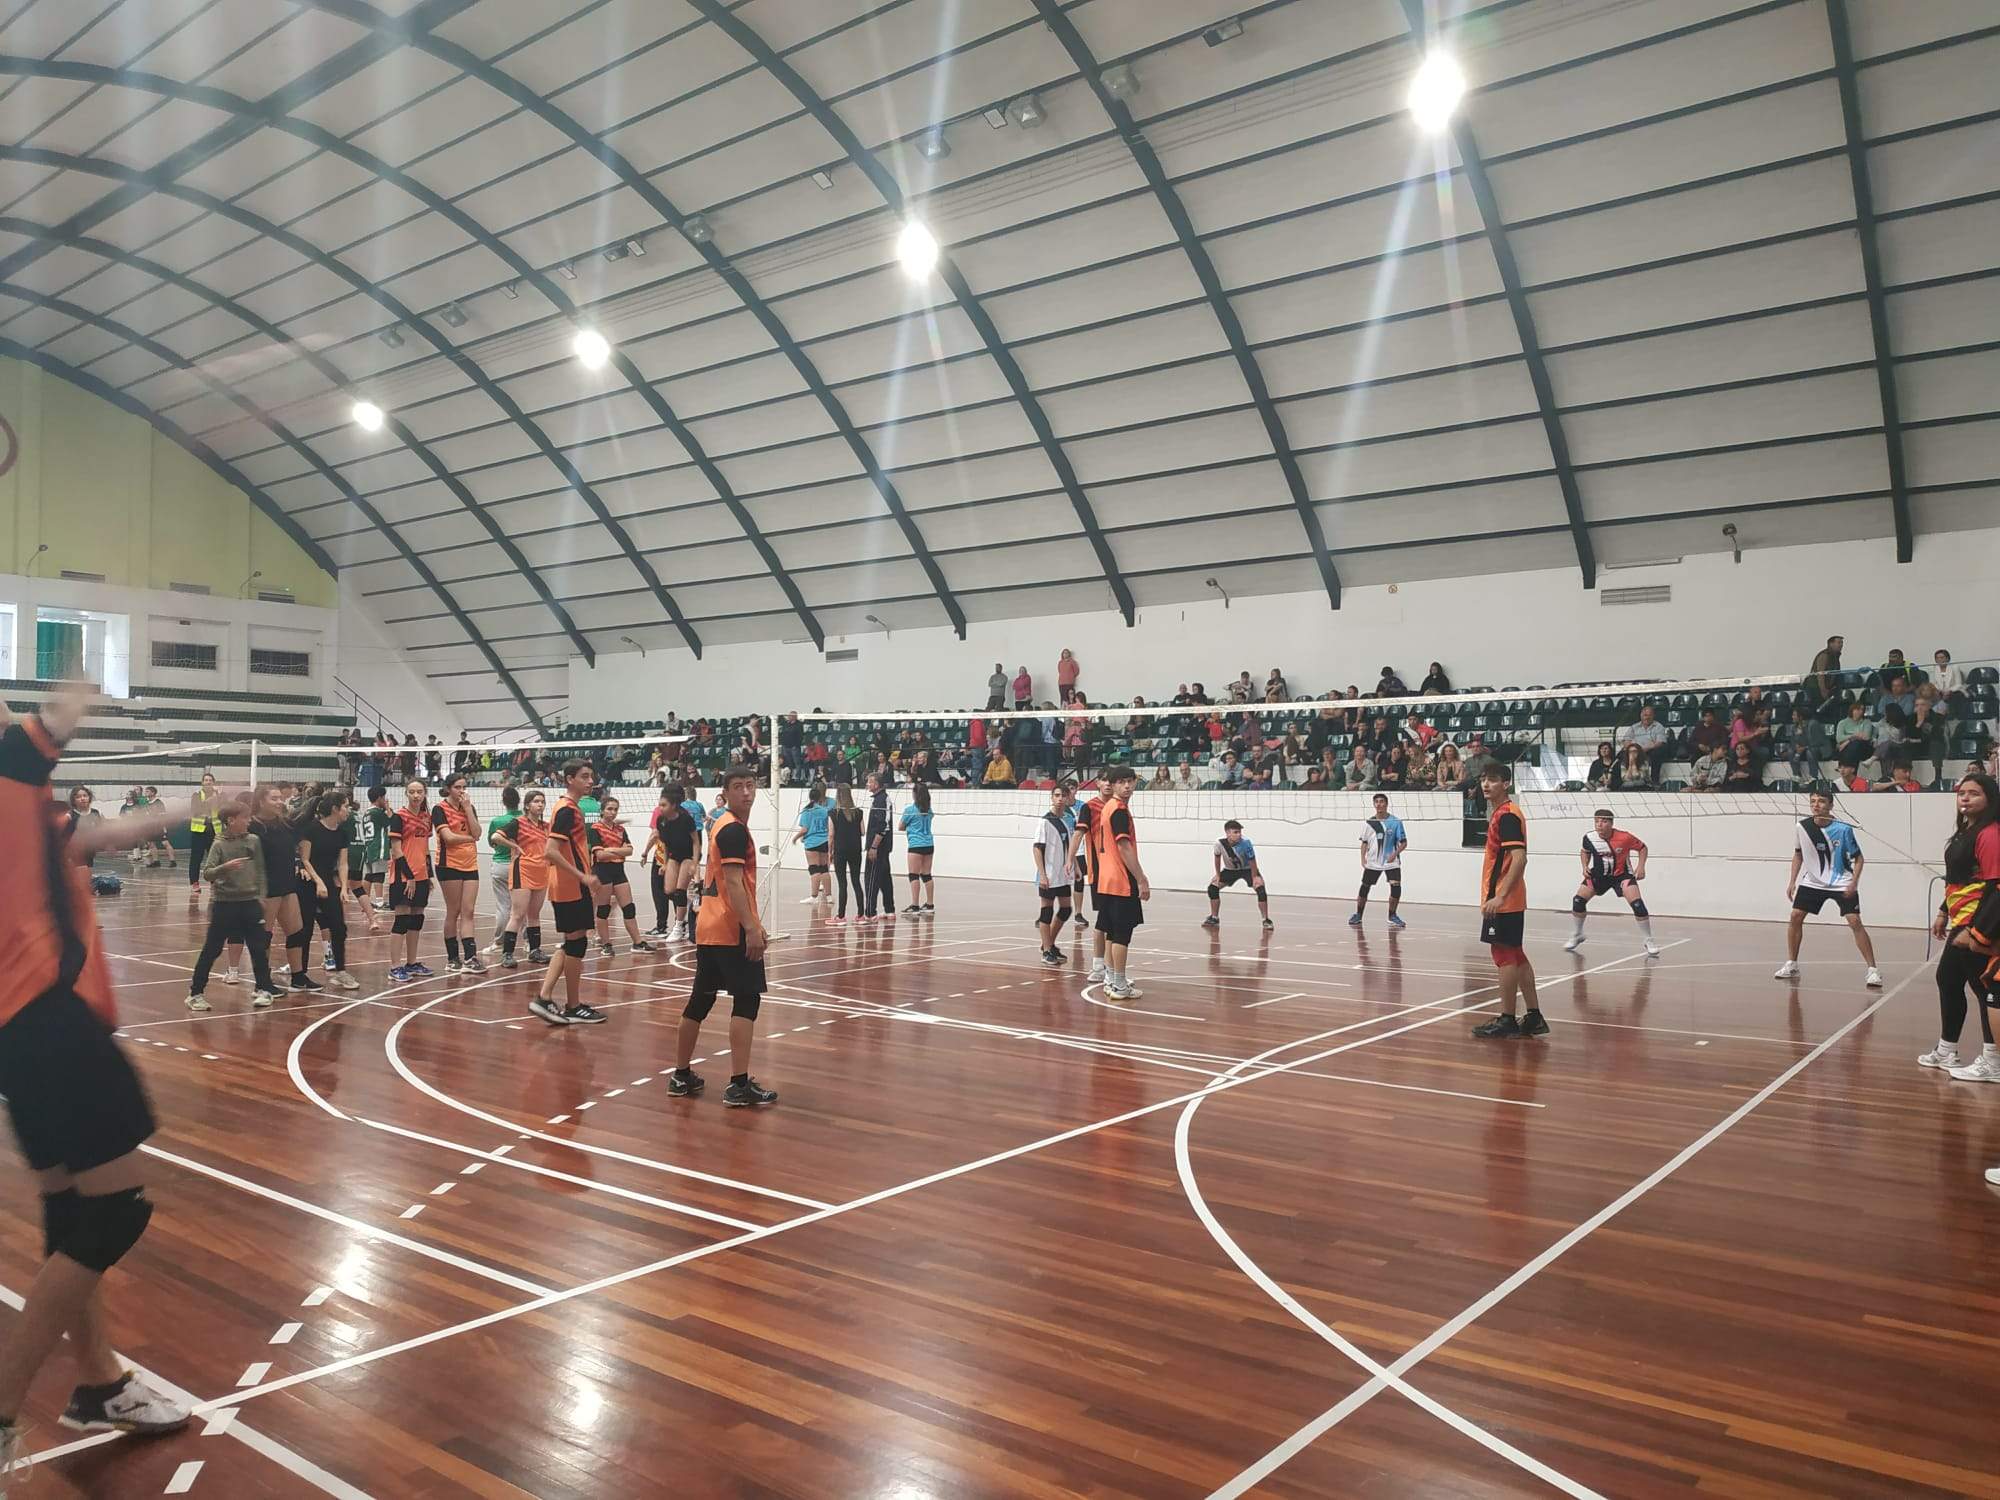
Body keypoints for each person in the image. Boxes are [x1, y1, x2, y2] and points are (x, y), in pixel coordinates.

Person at [0, 689, 192, 1467]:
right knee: (114, 1215)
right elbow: (27, 745)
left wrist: (201, 805)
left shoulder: (33, 818)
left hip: (20, 1032)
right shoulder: (10, 783)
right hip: (51, 1022)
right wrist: (70, 700)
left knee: (70, 1211)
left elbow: (96, 835)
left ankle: (99, 1383)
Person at [667, 765, 777, 1107]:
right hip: (729, 929)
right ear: (725, 793)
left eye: (750, 785)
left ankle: (681, 1076)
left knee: (701, 999)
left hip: (709, 927)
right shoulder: (732, 830)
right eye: (738, 787)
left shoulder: (725, 826)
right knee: (747, 1000)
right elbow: (732, 883)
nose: (746, 792)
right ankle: (739, 1085)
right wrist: (750, 928)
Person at [1920, 771, 2000, 1079]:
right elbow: (1957, 879)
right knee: (1948, 979)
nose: (1965, 797)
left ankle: (1991, 1061)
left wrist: (1978, 931)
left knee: (1984, 989)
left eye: (1974, 793)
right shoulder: (1965, 832)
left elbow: (1995, 885)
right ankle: (1947, 1049)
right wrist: (1943, 911)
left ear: (1989, 799)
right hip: (1961, 918)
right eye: (1961, 792)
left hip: (1978, 922)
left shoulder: (1990, 833)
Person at [1776, 789, 1881, 988]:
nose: (1816, 805)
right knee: (1795, 916)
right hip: (1813, 881)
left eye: (1821, 801)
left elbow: (1859, 859)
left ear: (1831, 805)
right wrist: (1792, 881)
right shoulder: (1802, 827)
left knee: (1854, 921)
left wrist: (1854, 882)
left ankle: (1873, 970)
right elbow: (1798, 854)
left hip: (1842, 880)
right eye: (1813, 801)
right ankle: (1792, 964)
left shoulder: (1843, 829)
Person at [1471, 764, 1547, 1038]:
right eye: (1483, 779)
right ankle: (1534, 1017)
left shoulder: (1507, 816)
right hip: (1510, 900)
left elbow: (1520, 859)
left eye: (1492, 780)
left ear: (1506, 783)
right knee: (1516, 954)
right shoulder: (1503, 814)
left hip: (1504, 901)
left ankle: (1507, 1019)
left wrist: (1499, 896)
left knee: (1503, 956)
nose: (1486, 784)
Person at [532, 761, 606, 1026]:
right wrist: (583, 876)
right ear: (569, 779)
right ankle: (572, 1006)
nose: (590, 781)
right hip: (570, 886)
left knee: (571, 943)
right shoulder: (567, 811)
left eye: (591, 776)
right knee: (577, 944)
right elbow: (550, 851)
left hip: (569, 886)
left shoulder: (571, 808)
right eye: (584, 776)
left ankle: (543, 997)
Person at [187, 798, 279, 1011]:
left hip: (250, 902)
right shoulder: (218, 844)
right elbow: (208, 873)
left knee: (258, 946)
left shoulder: (253, 840)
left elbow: (260, 871)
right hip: (225, 904)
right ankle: (196, 993)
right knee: (212, 948)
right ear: (231, 820)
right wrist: (224, 868)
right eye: (245, 818)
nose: (248, 821)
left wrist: (262, 896)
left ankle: (263, 989)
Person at [1087, 766, 1149, 1000]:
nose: (1127, 786)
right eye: (1121, 782)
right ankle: (1120, 985)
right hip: (1121, 880)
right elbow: (1124, 847)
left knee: (1111, 933)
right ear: (1111, 785)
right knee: (1122, 935)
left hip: (1105, 880)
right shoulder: (1119, 810)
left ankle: (1112, 980)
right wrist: (1141, 878)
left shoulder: (1107, 808)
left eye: (1130, 781)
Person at [1565, 810, 1660, 956]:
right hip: (1598, 875)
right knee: (1578, 901)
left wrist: (1641, 867)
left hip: (1622, 875)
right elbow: (1585, 852)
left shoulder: (1624, 837)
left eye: (1603, 821)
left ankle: (1648, 940)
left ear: (1611, 823)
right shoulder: (1589, 837)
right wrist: (1584, 867)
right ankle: (1578, 934)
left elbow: (1642, 848)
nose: (1599, 825)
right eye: (1597, 821)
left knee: (1638, 905)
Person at [295, 790, 360, 992]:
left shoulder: (342, 833)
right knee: (304, 929)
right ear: (335, 808)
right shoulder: (311, 829)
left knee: (339, 927)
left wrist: (343, 888)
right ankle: (300, 973)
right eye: (346, 806)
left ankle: (340, 971)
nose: (348, 810)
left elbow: (343, 863)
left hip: (329, 884)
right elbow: (305, 859)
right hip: (306, 884)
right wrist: (318, 882)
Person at [250, 784, 311, 988]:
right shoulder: (253, 827)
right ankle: (262, 981)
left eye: (280, 798)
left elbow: (302, 835)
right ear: (260, 801)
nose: (279, 802)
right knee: (264, 936)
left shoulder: (285, 824)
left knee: (296, 932)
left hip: (287, 884)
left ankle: (298, 977)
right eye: (274, 798)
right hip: (266, 888)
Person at [432, 773, 485, 975]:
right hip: (449, 865)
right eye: (457, 787)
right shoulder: (439, 809)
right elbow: (448, 838)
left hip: (470, 864)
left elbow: (478, 833)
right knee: (453, 911)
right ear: (448, 788)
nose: (462, 791)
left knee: (469, 911)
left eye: (464, 787)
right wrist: (469, 839)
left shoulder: (469, 808)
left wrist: (469, 809)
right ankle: (452, 958)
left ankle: (470, 957)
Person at [386, 779, 436, 984]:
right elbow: (396, 851)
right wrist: (410, 877)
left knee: (417, 918)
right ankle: (394, 966)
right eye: (412, 792)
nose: (416, 796)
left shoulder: (426, 817)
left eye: (419, 792)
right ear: (406, 794)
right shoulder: (399, 817)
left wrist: (429, 876)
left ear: (425, 793)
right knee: (401, 920)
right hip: (403, 876)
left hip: (421, 875)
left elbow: (425, 850)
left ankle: (412, 962)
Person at [590, 797, 653, 957]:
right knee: (603, 910)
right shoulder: (595, 829)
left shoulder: (620, 830)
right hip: (602, 871)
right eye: (609, 809)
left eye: (615, 809)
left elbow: (630, 851)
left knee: (629, 907)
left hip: (619, 870)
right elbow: (601, 855)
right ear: (602, 810)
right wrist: (619, 850)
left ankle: (637, 943)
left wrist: (610, 849)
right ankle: (606, 944)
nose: (612, 812)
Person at [494, 789, 549, 969]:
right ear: (527, 805)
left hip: (541, 871)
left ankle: (535, 950)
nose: (540, 804)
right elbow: (496, 837)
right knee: (518, 914)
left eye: (542, 801)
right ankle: (507, 954)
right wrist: (514, 845)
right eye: (536, 801)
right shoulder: (517, 823)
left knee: (534, 915)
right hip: (522, 870)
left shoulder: (546, 826)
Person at [1031, 783, 1077, 965]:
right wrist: (1042, 874)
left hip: (1063, 874)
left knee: (1066, 909)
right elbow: (1037, 849)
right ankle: (1047, 949)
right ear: (1052, 798)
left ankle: (1048, 943)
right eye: (1056, 795)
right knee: (1046, 911)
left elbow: (1069, 846)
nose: (1059, 799)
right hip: (1048, 874)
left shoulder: (1067, 819)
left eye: (1063, 795)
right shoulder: (1045, 821)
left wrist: (1076, 868)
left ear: (1067, 799)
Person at [1349, 793, 1407, 929]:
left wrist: (1394, 854)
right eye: (1376, 802)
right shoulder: (1370, 823)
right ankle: (1358, 915)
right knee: (1364, 887)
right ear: (1374, 805)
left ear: (1386, 804)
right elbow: (1364, 842)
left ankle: (1392, 916)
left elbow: (1404, 843)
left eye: (1382, 801)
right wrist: (1362, 858)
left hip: (1390, 861)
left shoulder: (1395, 822)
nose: (1379, 804)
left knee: (1396, 887)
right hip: (1373, 862)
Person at [1205, 820, 1273, 930]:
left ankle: (1266, 920)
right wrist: (1218, 875)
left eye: (1240, 832)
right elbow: (1217, 857)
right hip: (1230, 870)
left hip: (1247, 869)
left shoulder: (1246, 842)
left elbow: (1252, 860)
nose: (1239, 834)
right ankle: (1214, 918)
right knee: (1212, 888)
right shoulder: (1219, 843)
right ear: (1227, 833)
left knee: (1260, 889)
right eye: (1236, 832)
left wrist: (1255, 876)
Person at [650, 784, 697, 941]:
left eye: (663, 805)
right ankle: (691, 905)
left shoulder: (686, 819)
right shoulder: (661, 821)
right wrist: (664, 863)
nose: (660, 808)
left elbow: (696, 842)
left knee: (679, 891)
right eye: (659, 804)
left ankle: (679, 926)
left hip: (688, 856)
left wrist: (695, 863)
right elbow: (666, 844)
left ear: (673, 805)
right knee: (669, 891)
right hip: (673, 856)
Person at [483, 787, 520, 951]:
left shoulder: (497, 821)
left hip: (500, 865)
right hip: (521, 865)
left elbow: (492, 842)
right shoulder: (525, 819)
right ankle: (528, 942)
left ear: (503, 801)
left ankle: (499, 942)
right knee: (523, 906)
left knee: (503, 906)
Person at [828, 784, 864, 925]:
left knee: (842, 883)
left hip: (841, 851)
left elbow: (831, 835)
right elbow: (862, 831)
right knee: (856, 881)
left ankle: (841, 916)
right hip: (855, 850)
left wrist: (829, 852)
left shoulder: (833, 813)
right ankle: (861, 915)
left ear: (838, 795)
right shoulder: (858, 812)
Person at [862, 773, 896, 922]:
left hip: (878, 848)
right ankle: (889, 910)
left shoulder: (882, 800)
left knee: (871, 879)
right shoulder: (880, 799)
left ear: (877, 784)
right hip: (882, 847)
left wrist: (874, 847)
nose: (867, 784)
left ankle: (870, 913)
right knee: (884, 878)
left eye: (870, 782)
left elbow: (883, 826)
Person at [791, 782, 832, 905]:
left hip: (812, 842)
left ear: (810, 797)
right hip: (824, 841)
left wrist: (796, 838)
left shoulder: (807, 811)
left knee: (814, 869)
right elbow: (829, 826)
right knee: (824, 869)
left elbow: (805, 829)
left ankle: (813, 897)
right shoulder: (825, 811)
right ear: (820, 798)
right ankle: (829, 897)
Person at [186, 770, 221, 906]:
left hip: (214, 831)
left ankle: (215, 883)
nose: (208, 782)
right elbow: (195, 810)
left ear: (213, 783)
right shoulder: (196, 795)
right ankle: (194, 883)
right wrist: (208, 802)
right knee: (196, 858)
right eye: (205, 780)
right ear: (202, 783)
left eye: (210, 780)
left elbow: (223, 809)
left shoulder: (219, 795)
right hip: (199, 831)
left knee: (214, 859)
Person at [900, 784, 935, 915]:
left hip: (916, 845)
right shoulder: (929, 809)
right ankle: (930, 904)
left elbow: (901, 826)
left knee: (913, 875)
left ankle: (915, 905)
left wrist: (911, 826)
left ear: (915, 794)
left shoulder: (910, 810)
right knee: (926, 875)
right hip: (929, 844)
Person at [359, 782, 391, 911]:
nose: (385, 800)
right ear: (379, 798)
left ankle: (365, 901)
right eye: (383, 798)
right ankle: (379, 902)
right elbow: (390, 821)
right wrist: (388, 809)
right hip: (379, 847)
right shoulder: (378, 812)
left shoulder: (367, 813)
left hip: (369, 846)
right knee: (379, 875)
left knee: (369, 875)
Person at [1618, 705, 1669, 776]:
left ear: (1653, 716)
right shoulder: (1634, 727)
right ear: (1641, 715)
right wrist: (1632, 749)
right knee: (1620, 755)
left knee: (1657, 754)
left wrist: (1646, 748)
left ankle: (1654, 780)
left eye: (1649, 715)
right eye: (1645, 715)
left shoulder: (1658, 726)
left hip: (1650, 750)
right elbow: (1626, 740)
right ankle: (1624, 778)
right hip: (1635, 749)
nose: (1647, 717)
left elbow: (1660, 742)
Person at [1807, 634, 1843, 708]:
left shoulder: (1835, 657)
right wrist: (1823, 690)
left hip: (1826, 689)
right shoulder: (1824, 655)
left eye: (1841, 643)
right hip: (1816, 688)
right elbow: (1820, 675)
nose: (1841, 645)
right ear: (1831, 644)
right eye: (1839, 642)